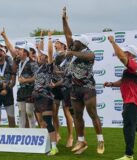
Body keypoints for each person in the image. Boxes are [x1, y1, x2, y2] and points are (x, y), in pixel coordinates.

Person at [106, 36, 137, 160]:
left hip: (133, 100)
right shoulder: (131, 67)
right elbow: (123, 81)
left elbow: (121, 57)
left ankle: (129, 155)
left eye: (124, 52)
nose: (122, 53)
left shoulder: (134, 64)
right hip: (132, 100)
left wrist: (113, 42)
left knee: (129, 126)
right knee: (136, 123)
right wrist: (112, 84)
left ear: (129, 54)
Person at [62, 7, 104, 154]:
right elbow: (68, 35)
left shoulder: (88, 53)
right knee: (77, 116)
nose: (73, 43)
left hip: (88, 88)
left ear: (83, 44)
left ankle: (100, 140)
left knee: (93, 114)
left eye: (76, 42)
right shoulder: (73, 49)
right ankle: (81, 141)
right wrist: (63, 20)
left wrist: (71, 51)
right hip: (75, 88)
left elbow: (88, 57)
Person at [1, 28, 38, 128]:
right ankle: (22, 133)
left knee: (30, 113)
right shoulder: (17, 60)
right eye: (18, 49)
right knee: (21, 112)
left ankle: (33, 134)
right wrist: (4, 37)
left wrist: (26, 80)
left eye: (20, 50)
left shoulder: (32, 63)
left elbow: (38, 77)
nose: (18, 51)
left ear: (25, 52)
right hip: (21, 90)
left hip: (30, 89)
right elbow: (11, 48)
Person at [32, 31, 58, 156]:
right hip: (36, 96)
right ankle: (45, 145)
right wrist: (41, 38)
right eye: (39, 55)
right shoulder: (37, 66)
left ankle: (54, 147)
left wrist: (49, 38)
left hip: (46, 97)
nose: (39, 56)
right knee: (41, 123)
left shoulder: (49, 66)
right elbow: (39, 51)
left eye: (42, 55)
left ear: (46, 58)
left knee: (48, 122)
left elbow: (50, 52)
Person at [50, 36, 74, 147]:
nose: (56, 44)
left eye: (58, 43)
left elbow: (66, 72)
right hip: (54, 87)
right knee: (54, 112)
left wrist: (58, 73)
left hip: (65, 87)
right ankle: (57, 133)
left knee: (66, 112)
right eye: (55, 43)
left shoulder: (68, 55)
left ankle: (70, 137)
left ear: (64, 45)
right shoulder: (55, 56)